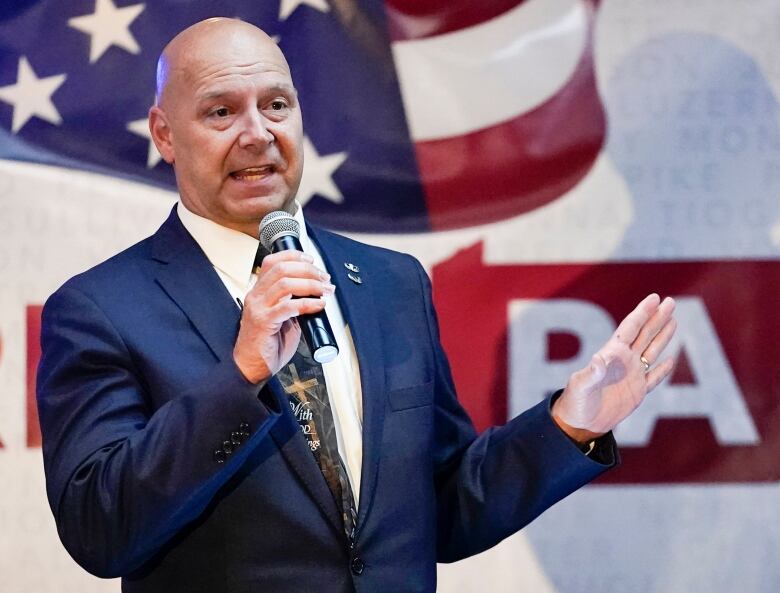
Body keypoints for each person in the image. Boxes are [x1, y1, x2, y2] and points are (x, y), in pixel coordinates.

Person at [37, 18, 677, 593]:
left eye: (276, 105)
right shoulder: (101, 309)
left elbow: (444, 511)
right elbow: (101, 530)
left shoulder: (390, 282)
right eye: (221, 112)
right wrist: (241, 378)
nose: (258, 134)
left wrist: (568, 425)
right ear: (165, 135)